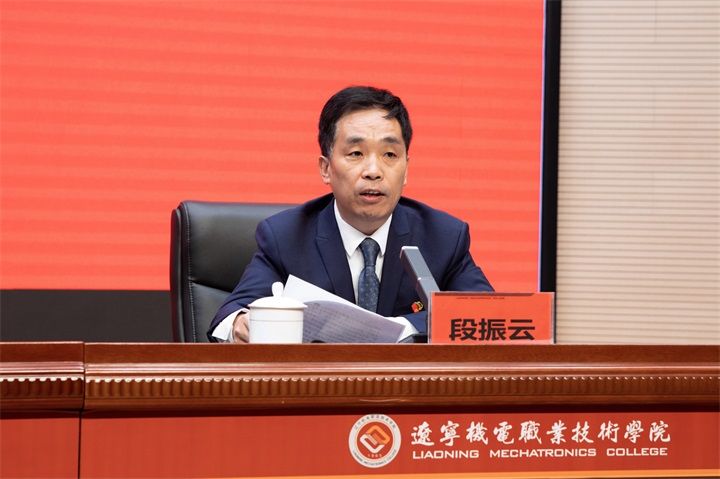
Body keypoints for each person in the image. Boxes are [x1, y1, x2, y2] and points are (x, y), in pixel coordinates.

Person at [209, 86, 492, 343]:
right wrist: (242, 324)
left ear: (406, 169)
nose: (373, 171)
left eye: (390, 155)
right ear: (326, 169)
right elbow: (229, 316)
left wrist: (402, 329)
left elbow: (486, 317)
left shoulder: (443, 237)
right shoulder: (286, 236)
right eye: (356, 153)